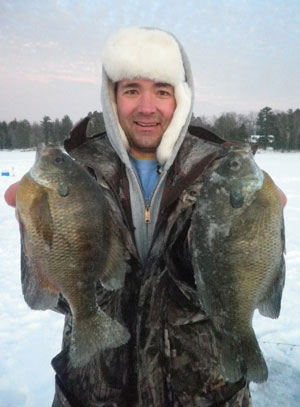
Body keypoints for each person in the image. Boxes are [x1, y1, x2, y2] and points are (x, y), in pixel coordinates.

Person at [4, 27, 286, 407]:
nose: (147, 107)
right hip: (92, 394)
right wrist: (41, 237)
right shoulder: (76, 171)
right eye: (132, 90)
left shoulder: (219, 171)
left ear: (181, 98)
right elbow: (45, 296)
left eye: (163, 91)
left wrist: (209, 251)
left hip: (208, 393)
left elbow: (244, 273)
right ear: (112, 97)